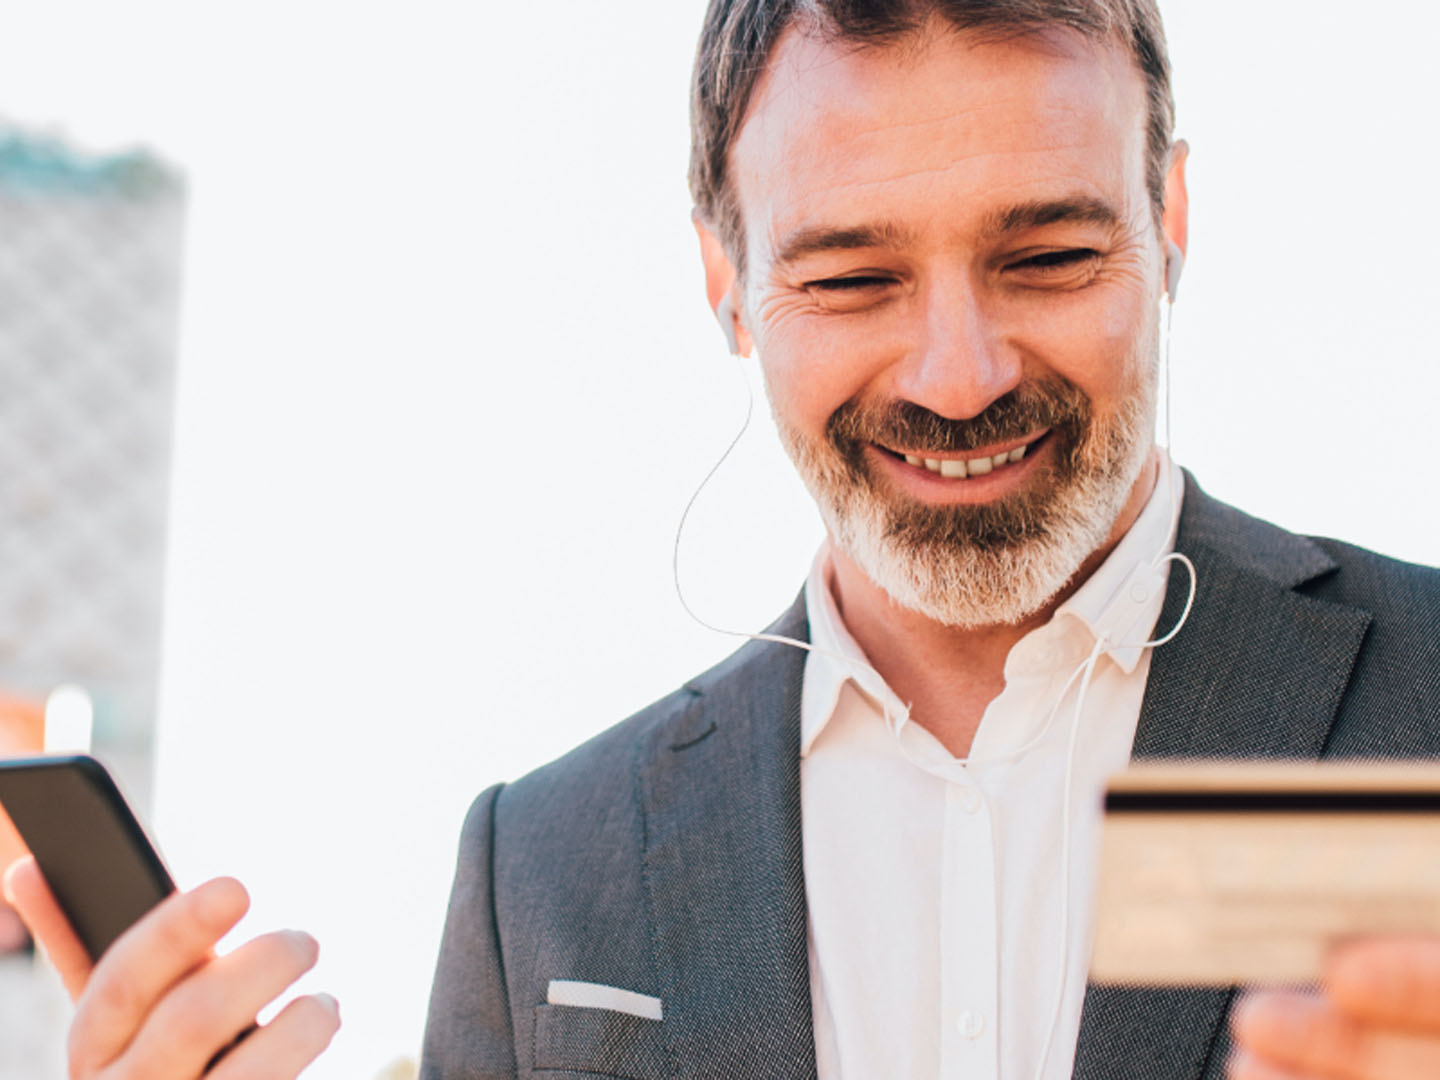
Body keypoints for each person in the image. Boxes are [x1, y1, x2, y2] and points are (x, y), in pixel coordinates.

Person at [6, 0, 1440, 1077]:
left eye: (1050, 257)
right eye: (852, 275)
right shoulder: (546, 874)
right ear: (726, 280)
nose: (958, 372)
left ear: (1169, 219)